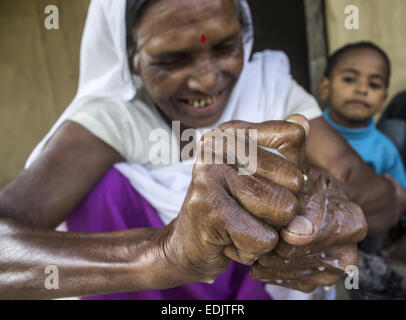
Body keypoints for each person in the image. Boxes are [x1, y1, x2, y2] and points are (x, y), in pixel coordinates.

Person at [3, 0, 401, 300]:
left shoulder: (271, 89)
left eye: (225, 47)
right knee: (100, 187)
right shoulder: (114, 118)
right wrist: (161, 255)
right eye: (173, 59)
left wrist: (317, 213)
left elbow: (365, 184)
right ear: (131, 58)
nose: (207, 80)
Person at [319, 42, 406, 254]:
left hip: (366, 233)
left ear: (382, 101)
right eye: (349, 79)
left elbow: (399, 196)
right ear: (325, 88)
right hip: (317, 227)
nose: (362, 89)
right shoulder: (311, 134)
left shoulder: (385, 148)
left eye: (374, 85)